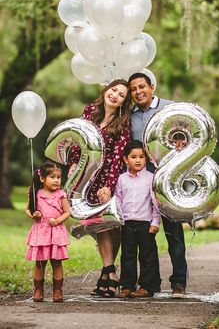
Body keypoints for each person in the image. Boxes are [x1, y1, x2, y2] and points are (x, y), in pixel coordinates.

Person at [68, 79, 131, 297]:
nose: (115, 95)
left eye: (121, 94)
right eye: (114, 90)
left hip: (108, 178)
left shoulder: (123, 122)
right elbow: (79, 138)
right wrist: (74, 162)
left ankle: (108, 274)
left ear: (125, 101)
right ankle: (110, 273)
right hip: (88, 176)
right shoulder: (89, 111)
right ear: (106, 89)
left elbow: (117, 157)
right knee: (98, 225)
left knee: (111, 226)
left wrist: (108, 184)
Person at [128, 72, 188, 299]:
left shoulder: (170, 108)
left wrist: (183, 138)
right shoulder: (129, 116)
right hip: (141, 185)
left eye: (141, 86)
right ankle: (149, 284)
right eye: (133, 89)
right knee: (145, 237)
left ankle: (179, 283)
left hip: (168, 182)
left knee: (174, 233)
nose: (138, 92)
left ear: (152, 87)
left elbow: (190, 132)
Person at [114, 140, 161, 298]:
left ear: (146, 158)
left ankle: (146, 286)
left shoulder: (151, 178)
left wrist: (155, 222)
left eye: (141, 156)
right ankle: (127, 285)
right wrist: (118, 219)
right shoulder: (122, 179)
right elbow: (118, 200)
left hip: (145, 223)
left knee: (147, 256)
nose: (138, 160)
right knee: (128, 255)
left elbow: (156, 203)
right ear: (126, 159)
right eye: (133, 157)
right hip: (127, 223)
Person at [25, 160, 70, 303]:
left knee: (57, 263)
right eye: (52, 177)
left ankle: (58, 291)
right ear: (42, 178)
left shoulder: (61, 194)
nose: (56, 180)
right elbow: (28, 209)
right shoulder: (36, 193)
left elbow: (67, 212)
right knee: (40, 263)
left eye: (58, 177)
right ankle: (38, 290)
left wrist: (58, 220)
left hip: (55, 232)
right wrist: (33, 214)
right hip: (41, 232)